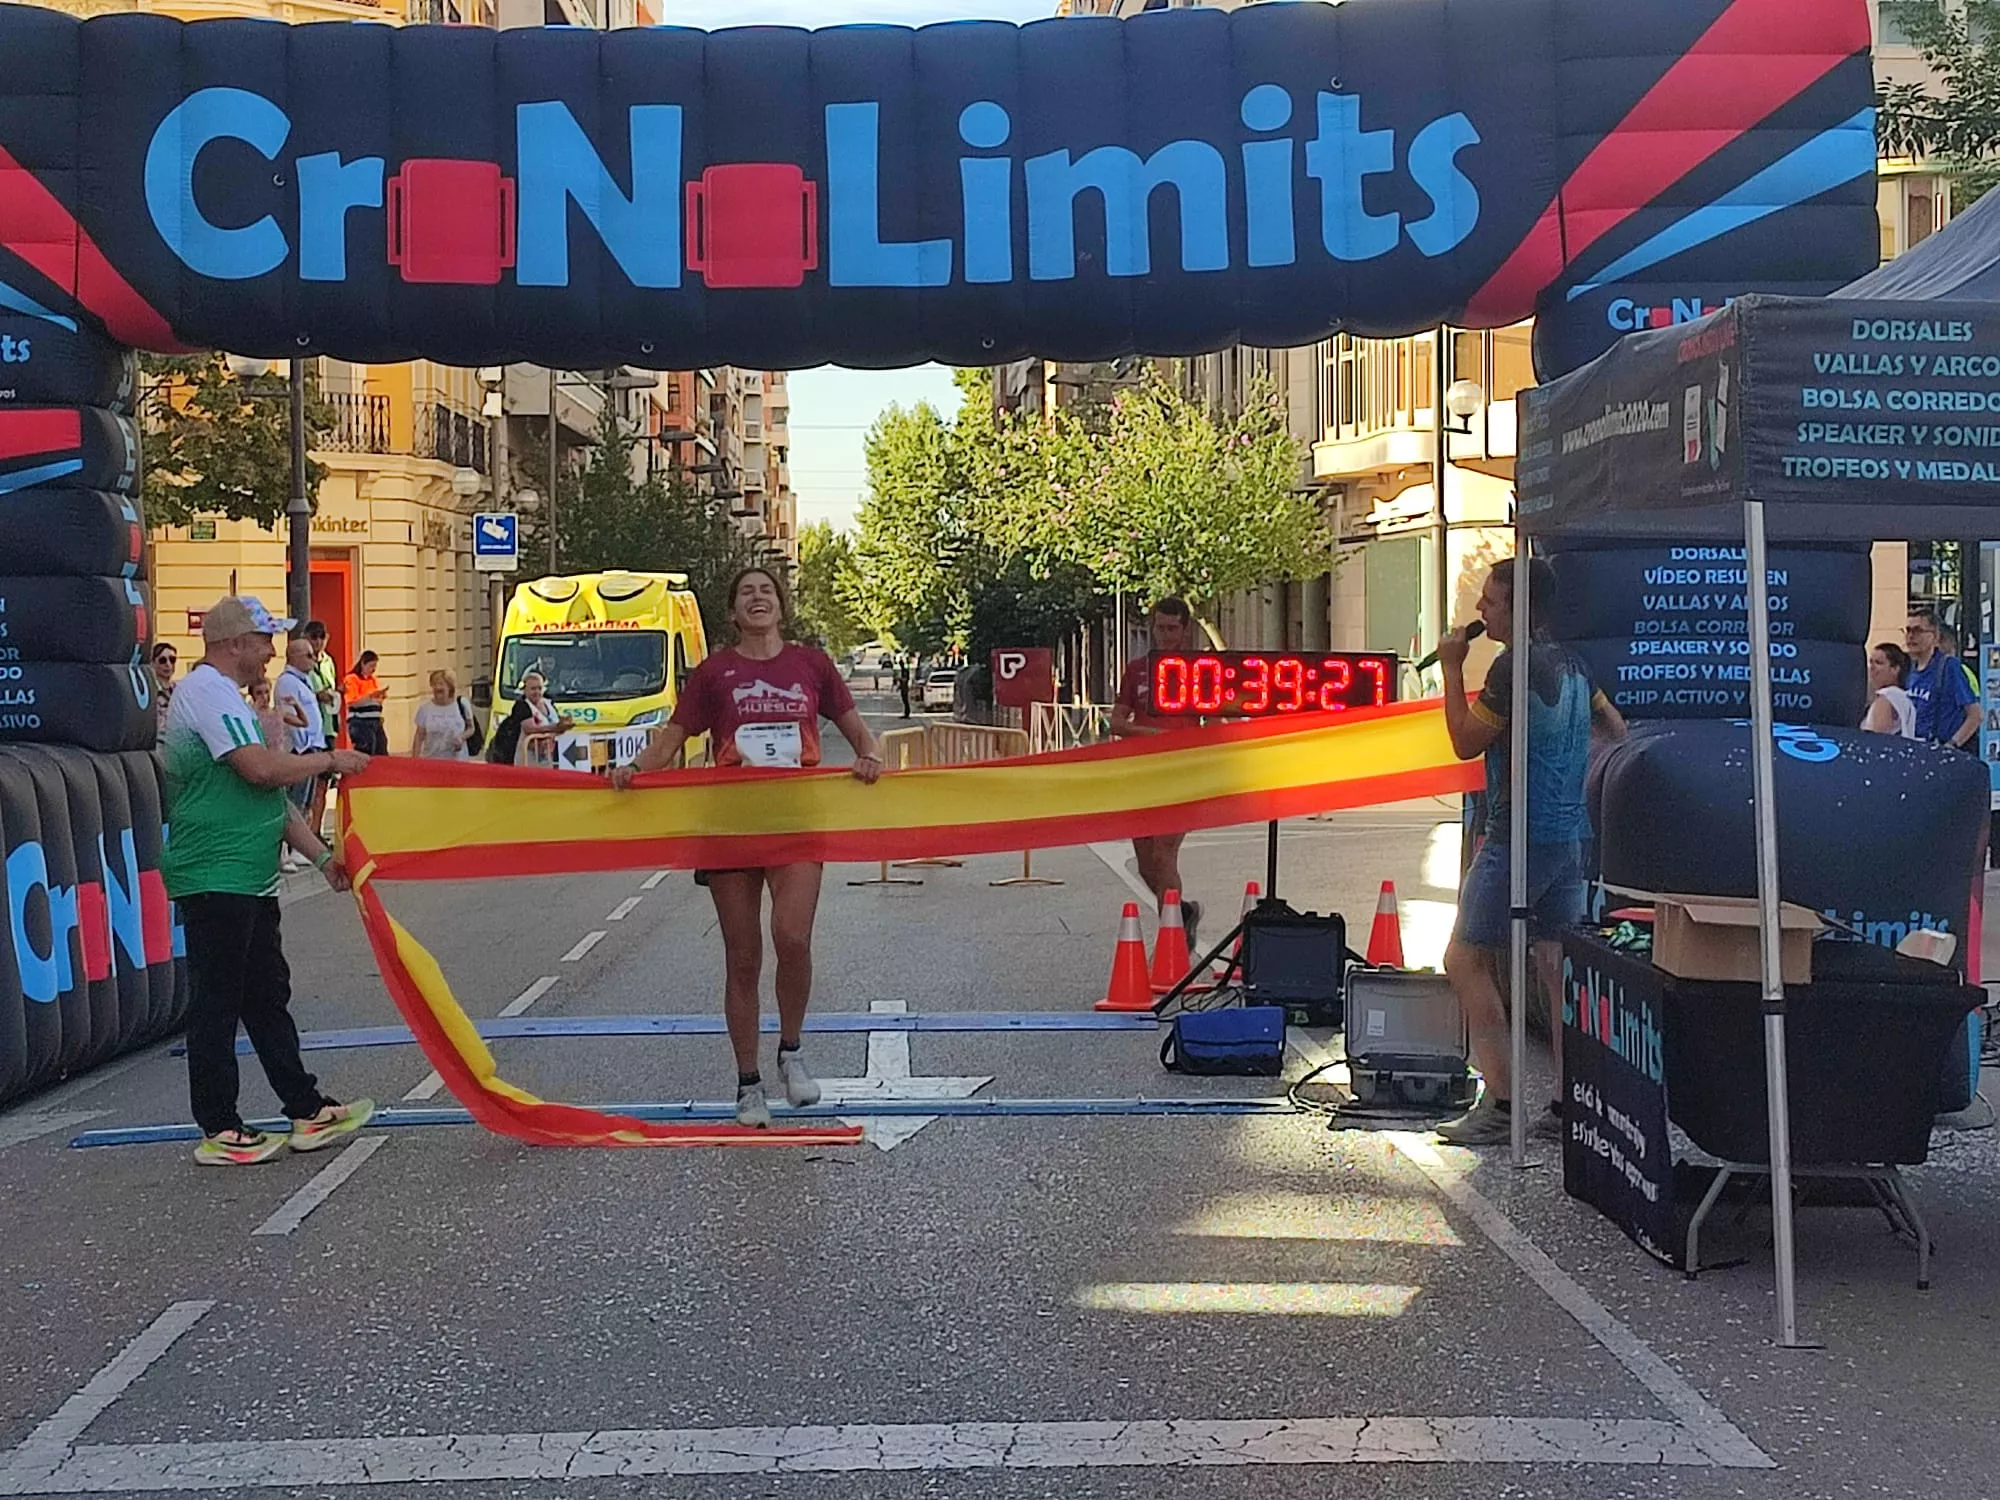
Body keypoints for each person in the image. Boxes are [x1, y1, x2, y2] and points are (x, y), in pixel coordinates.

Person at [611, 567, 884, 1128]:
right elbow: (674, 737)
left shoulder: (811, 665)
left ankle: (791, 1051)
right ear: (734, 613)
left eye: (767, 591)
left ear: (780, 605)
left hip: (796, 819)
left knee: (793, 937)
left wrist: (870, 756)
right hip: (731, 824)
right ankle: (748, 1083)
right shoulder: (715, 672)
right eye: (746, 593)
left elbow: (857, 729)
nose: (758, 598)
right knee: (742, 956)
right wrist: (635, 768)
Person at [161, 597, 375, 1166]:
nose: (271, 653)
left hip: (246, 875)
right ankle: (219, 1127)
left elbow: (270, 799)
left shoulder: (225, 697)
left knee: (265, 997)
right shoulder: (205, 693)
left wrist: (323, 857)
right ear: (234, 644)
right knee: (218, 1002)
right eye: (264, 641)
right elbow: (260, 770)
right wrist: (328, 760)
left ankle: (305, 1108)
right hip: (215, 871)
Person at [1435, 559, 1626, 1147]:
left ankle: (1501, 1100)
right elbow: (1615, 728)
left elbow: (1464, 742)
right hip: (1568, 836)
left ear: (1520, 607)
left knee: (1464, 958)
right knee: (1552, 964)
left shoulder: (1510, 667)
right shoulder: (1575, 663)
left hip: (1518, 835)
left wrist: (1450, 670)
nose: (1480, 611)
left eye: (1490, 601)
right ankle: (1571, 1104)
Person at [1109, 596, 1203, 947]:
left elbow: (1216, 723)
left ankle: (1172, 939)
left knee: (1164, 855)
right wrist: (1153, 735)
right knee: (1146, 865)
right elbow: (1117, 722)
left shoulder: (1199, 670)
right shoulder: (1136, 670)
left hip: (1181, 776)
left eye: (1172, 629)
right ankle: (1182, 913)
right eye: (1160, 628)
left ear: (1184, 630)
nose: (1165, 635)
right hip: (1143, 775)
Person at [1904, 610, 1979, 750]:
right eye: (1908, 630)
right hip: (1915, 748)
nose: (1911, 636)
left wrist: (1952, 744)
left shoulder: (1948, 667)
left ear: (1935, 636)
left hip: (1939, 748)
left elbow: (1975, 714)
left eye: (1918, 630)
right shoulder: (1908, 668)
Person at [301, 621, 340, 837]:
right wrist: (318, 696)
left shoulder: (328, 662)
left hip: (328, 726)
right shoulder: (302, 665)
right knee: (309, 782)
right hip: (310, 731)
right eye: (314, 637)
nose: (318, 642)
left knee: (324, 782)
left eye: (321, 637)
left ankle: (317, 828)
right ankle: (306, 831)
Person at [486, 670, 572, 766]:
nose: (537, 692)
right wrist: (555, 728)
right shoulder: (522, 706)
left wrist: (564, 722)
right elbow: (530, 728)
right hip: (527, 757)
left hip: (548, 756)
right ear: (525, 690)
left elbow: (553, 719)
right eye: (533, 689)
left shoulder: (548, 703)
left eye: (539, 688)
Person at [413, 669, 474, 760]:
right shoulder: (425, 708)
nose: (437, 687)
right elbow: (419, 736)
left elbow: (471, 728)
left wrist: (461, 737)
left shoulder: (462, 704)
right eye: (434, 684)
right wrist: (414, 760)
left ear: (450, 686)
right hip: (432, 760)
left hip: (458, 761)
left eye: (441, 684)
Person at [1861, 642, 1918, 739]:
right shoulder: (1903, 698)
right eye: (1871, 662)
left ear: (1895, 669)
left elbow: (1878, 738)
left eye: (1879, 663)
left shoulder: (1887, 696)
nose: (1872, 668)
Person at [343, 650, 389, 757]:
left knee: (381, 749)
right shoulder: (352, 679)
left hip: (375, 721)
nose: (373, 669)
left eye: (375, 666)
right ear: (363, 664)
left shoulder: (373, 680)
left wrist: (380, 697)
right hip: (361, 722)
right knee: (366, 750)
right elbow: (352, 702)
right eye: (371, 666)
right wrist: (370, 696)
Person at [150, 641, 178, 732]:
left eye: (172, 659)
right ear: (153, 663)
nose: (168, 664)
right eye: (162, 660)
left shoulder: (179, 689)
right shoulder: (150, 690)